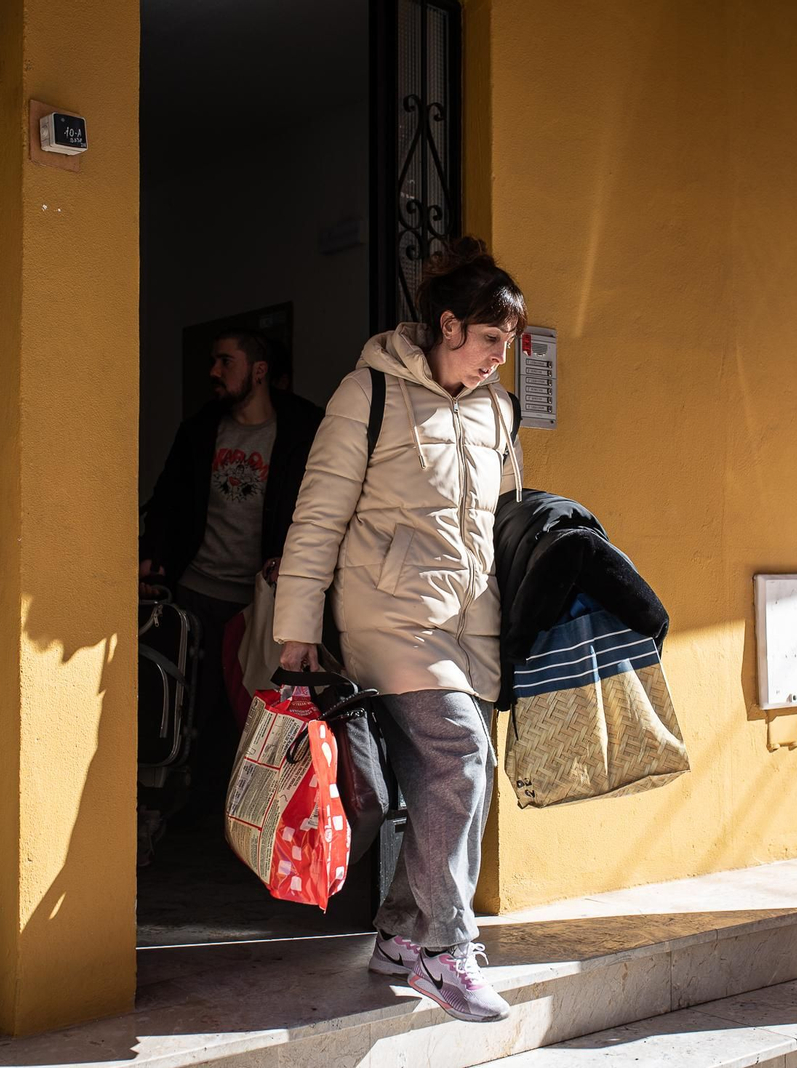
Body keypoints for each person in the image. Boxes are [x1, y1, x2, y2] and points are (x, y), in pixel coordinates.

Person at [273, 237, 525, 1024]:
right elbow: (318, 513)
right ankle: (445, 950)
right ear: (449, 326)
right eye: (490, 340)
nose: (499, 359)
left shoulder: (497, 408)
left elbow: (504, 519)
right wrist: (296, 626)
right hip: (389, 613)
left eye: (509, 344)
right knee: (458, 757)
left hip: (470, 623)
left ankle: (397, 935)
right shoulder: (369, 392)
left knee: (463, 776)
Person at [141, 329, 324, 805]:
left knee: (252, 714)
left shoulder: (305, 427)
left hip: (260, 601)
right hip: (196, 592)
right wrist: (152, 557)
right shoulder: (201, 429)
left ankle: (249, 820)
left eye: (226, 362)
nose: (214, 372)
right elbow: (166, 499)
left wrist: (294, 557)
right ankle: (171, 816)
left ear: (258, 371)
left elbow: (325, 505)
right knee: (182, 712)